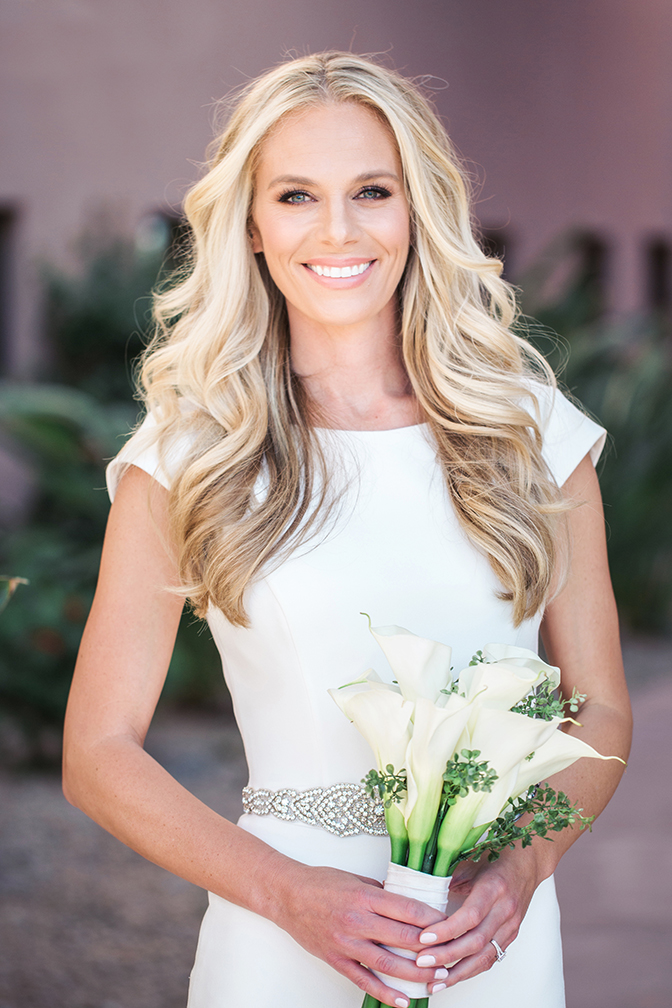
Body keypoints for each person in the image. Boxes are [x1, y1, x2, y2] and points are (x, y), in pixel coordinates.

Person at [63, 51, 632, 1008]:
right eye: (295, 196)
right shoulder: (195, 451)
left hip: (488, 945)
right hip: (277, 942)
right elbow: (97, 752)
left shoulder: (531, 431)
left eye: (372, 190)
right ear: (249, 221)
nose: (337, 230)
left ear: (420, 208)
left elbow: (601, 710)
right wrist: (287, 894)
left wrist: (521, 873)